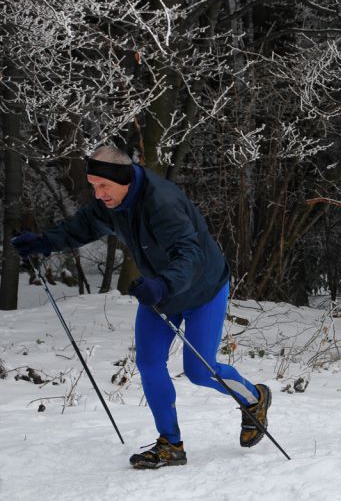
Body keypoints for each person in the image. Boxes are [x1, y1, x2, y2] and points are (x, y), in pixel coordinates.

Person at [11, 145, 272, 469]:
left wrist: (162, 285)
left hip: (201, 288)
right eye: (93, 185)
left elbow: (189, 255)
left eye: (103, 186)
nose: (99, 193)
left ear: (123, 180)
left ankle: (255, 399)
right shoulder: (110, 203)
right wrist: (43, 243)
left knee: (199, 371)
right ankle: (170, 444)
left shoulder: (162, 203)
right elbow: (81, 227)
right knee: (149, 363)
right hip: (158, 291)